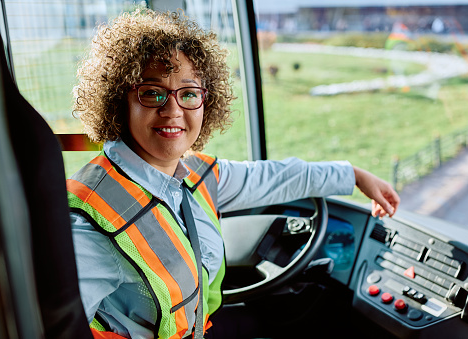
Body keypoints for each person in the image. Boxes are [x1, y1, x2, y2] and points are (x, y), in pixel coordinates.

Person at [68, 8, 400, 339]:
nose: (172, 110)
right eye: (152, 92)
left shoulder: (194, 173)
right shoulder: (89, 222)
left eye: (188, 94)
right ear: (119, 100)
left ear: (205, 102)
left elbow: (274, 178)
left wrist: (354, 175)